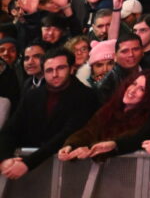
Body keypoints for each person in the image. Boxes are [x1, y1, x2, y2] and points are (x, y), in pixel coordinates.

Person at [0, 49, 101, 179]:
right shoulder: (32, 95)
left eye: (61, 68)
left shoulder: (87, 96)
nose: (54, 74)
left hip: (70, 171)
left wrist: (28, 163)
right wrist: (4, 158)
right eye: (49, 70)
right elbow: (10, 129)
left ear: (71, 69)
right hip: (32, 175)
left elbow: (67, 134)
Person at [55, 69, 150, 161]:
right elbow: (88, 131)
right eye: (134, 84)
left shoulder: (149, 120)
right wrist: (71, 145)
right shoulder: (110, 108)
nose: (133, 90)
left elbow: (125, 139)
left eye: (142, 89)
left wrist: (90, 149)